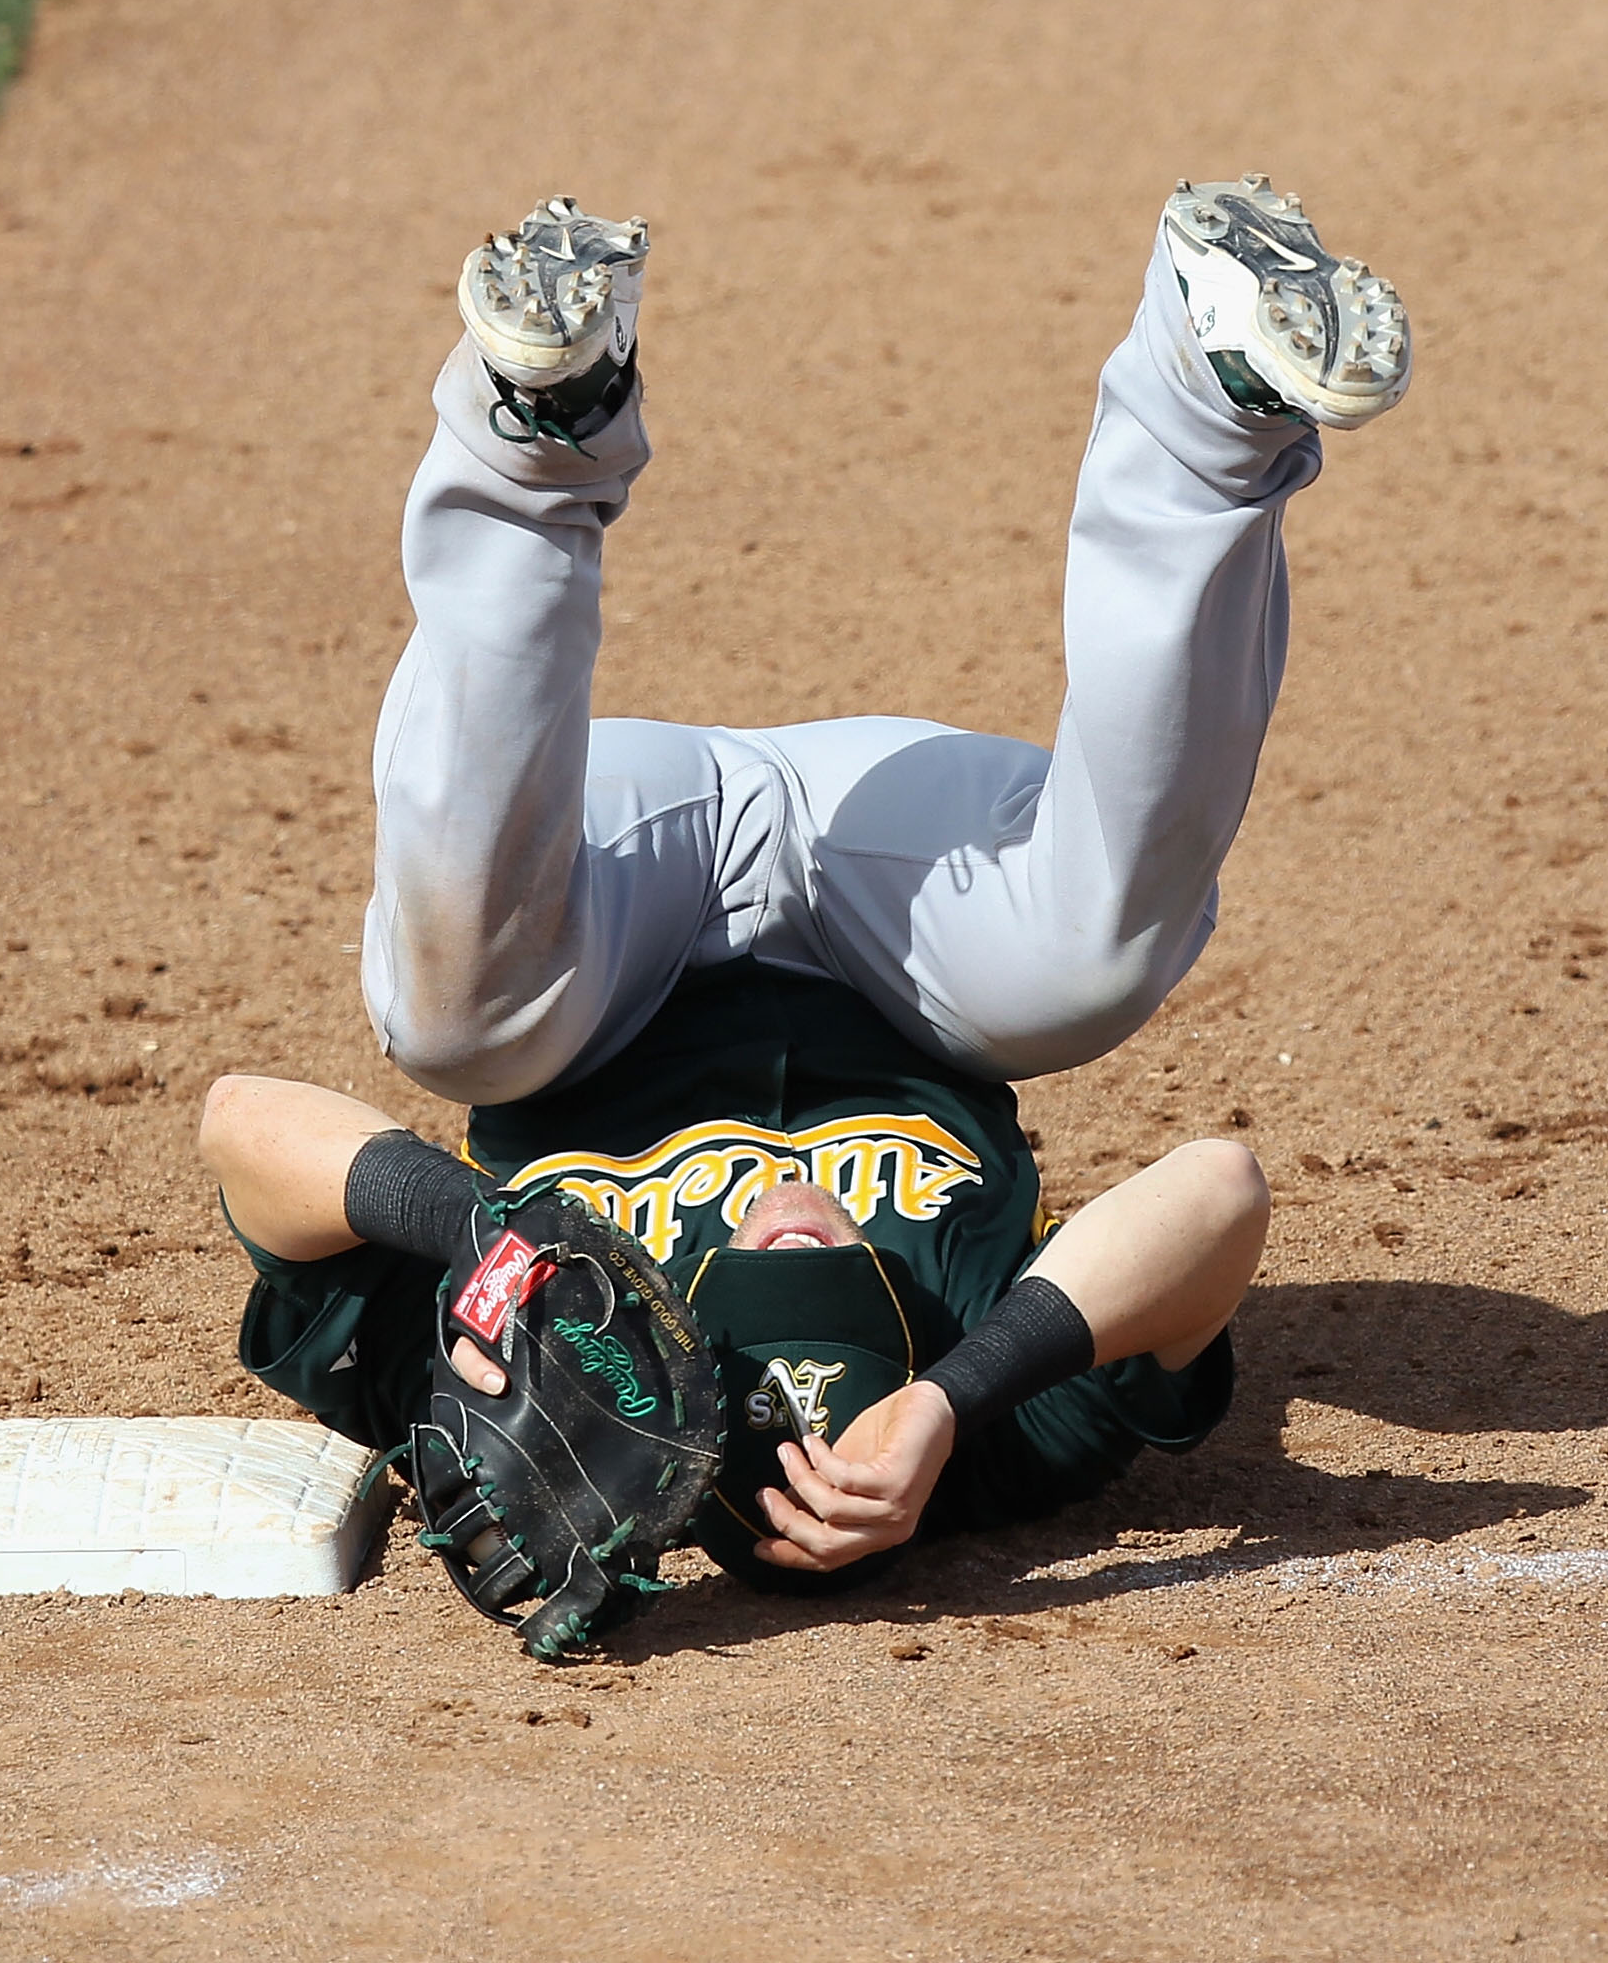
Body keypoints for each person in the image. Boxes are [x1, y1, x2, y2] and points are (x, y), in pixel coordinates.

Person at [198, 174, 1411, 1587]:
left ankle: (538, 426)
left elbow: (241, 1129)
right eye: (827, 1259)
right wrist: (960, 1397)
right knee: (1091, 968)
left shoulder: (533, 1367)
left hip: (606, 917)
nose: (793, 1216)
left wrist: (493, 1237)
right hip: (895, 910)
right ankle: (1215, 400)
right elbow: (1217, 1195)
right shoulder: (994, 1420)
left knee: (459, 1030)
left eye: (762, 1259)